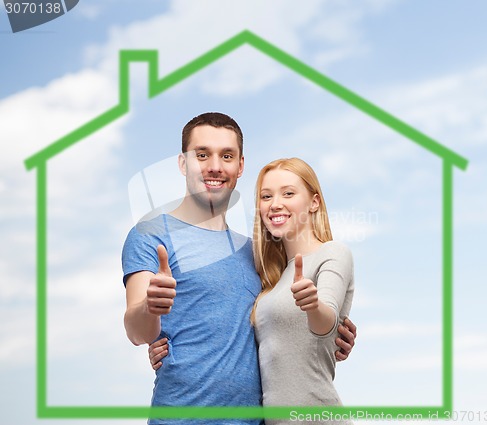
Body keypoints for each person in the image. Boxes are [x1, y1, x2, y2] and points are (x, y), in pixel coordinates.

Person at [122, 113, 356, 425]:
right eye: (202, 155)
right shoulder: (150, 235)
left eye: (227, 156)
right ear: (182, 164)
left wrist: (335, 332)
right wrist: (151, 308)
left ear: (240, 166)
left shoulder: (257, 255)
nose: (215, 166)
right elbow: (138, 332)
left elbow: (284, 321)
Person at [252, 158, 355, 424]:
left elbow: (327, 322)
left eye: (288, 193)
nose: (275, 203)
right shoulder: (272, 280)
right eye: (266, 196)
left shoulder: (333, 253)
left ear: (314, 202)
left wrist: (312, 306)